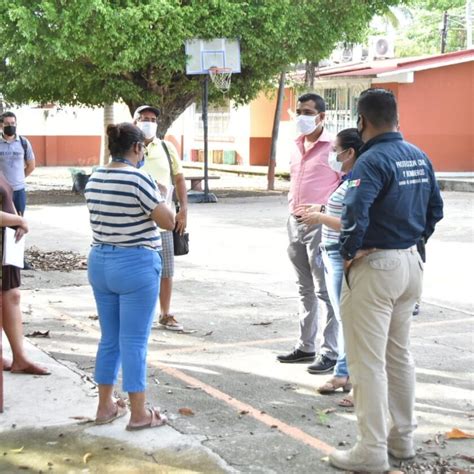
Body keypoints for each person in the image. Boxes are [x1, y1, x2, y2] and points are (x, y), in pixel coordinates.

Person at [329, 89, 443, 472]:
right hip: (410, 264)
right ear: (395, 117)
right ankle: (402, 440)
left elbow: (355, 210)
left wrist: (350, 250)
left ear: (361, 122)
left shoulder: (371, 158)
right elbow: (435, 211)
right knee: (399, 356)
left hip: (377, 267)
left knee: (367, 363)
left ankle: (371, 451)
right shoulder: (418, 155)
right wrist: (413, 241)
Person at [85, 122, 175, 430]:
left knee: (110, 338)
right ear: (136, 148)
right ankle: (139, 414)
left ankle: (104, 406)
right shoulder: (140, 178)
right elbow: (167, 222)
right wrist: (164, 197)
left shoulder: (95, 177)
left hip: (100, 261)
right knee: (135, 341)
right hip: (135, 263)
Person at [295, 128, 363, 406]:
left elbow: (352, 222)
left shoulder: (360, 178)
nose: (332, 155)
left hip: (340, 254)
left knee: (351, 322)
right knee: (345, 318)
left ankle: (355, 382)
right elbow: (342, 210)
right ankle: (343, 373)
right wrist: (321, 207)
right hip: (332, 253)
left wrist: (321, 217)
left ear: (350, 153)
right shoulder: (348, 179)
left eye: (336, 150)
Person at [277, 93, 340, 374]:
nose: (302, 116)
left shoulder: (335, 148)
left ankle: (330, 351)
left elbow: (347, 184)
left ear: (321, 117)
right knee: (304, 288)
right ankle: (306, 346)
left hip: (321, 224)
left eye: (308, 112)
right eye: (299, 111)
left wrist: (325, 209)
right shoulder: (295, 145)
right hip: (295, 222)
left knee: (325, 290)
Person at [134, 105, 188, 332]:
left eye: (153, 119)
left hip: (163, 221)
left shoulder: (166, 147)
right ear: (135, 122)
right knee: (137, 269)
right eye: (144, 118)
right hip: (135, 222)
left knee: (166, 270)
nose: (149, 122)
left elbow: (179, 178)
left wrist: (183, 208)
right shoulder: (127, 148)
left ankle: (165, 313)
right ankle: (136, 314)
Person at [1, 171, 50, 375]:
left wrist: (17, 221)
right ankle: (18, 358)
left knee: (11, 296)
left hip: (7, 243)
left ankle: (19, 358)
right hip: (4, 240)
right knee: (8, 298)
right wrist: (18, 221)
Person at [0, 111, 36, 216]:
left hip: (19, 191)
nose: (10, 126)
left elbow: (31, 166)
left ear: (16, 124)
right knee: (2, 225)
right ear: (1, 125)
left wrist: (19, 178)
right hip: (2, 192)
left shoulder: (23, 142)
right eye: (7, 123)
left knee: (19, 222)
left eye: (12, 123)